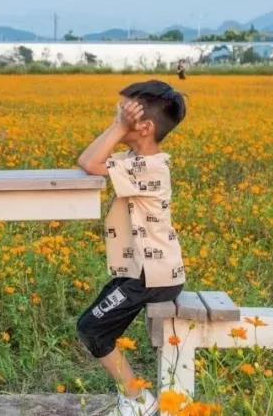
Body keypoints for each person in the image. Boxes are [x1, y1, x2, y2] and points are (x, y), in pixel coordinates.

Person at [75, 80, 189, 416]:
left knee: (92, 328)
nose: (117, 118)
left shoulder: (148, 166)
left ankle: (139, 401)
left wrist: (117, 127)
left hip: (151, 277)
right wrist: (122, 124)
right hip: (142, 273)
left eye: (124, 114)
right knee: (93, 328)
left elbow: (88, 162)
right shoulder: (134, 160)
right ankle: (134, 398)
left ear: (145, 127)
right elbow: (91, 159)